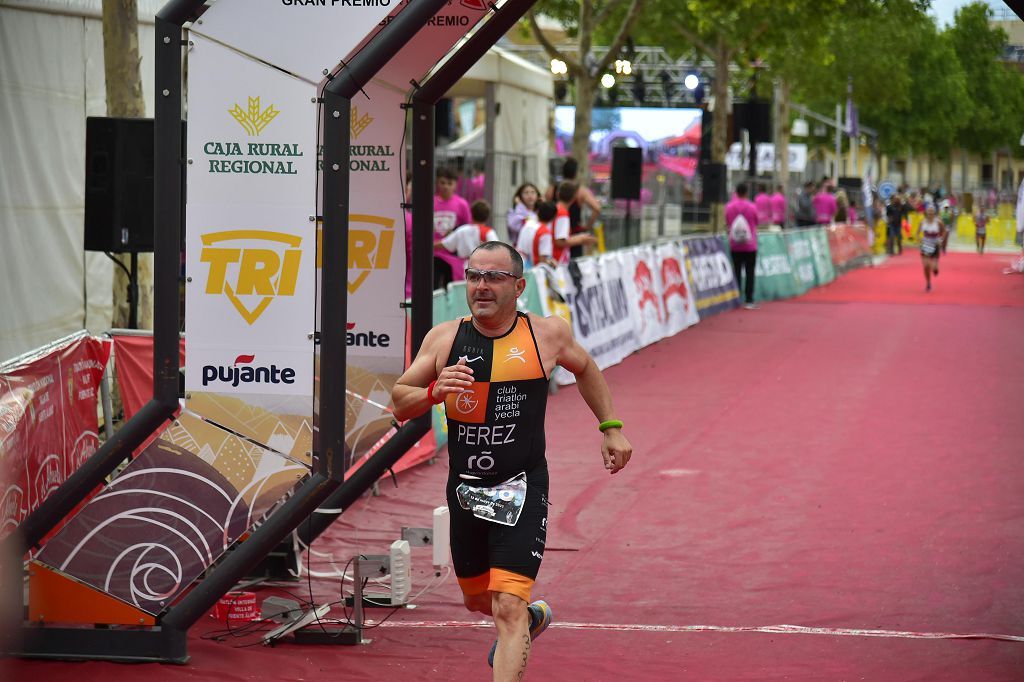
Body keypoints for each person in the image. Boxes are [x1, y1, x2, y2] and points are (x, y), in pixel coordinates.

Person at [391, 241, 633, 681]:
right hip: (466, 491)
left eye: (494, 277)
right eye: (474, 276)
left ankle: (521, 620)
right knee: (477, 600)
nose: (481, 286)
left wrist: (610, 426)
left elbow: (586, 368)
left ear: (519, 286)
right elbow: (399, 402)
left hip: (522, 487)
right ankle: (533, 619)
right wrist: (433, 392)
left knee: (508, 606)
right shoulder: (445, 339)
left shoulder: (547, 335)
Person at [548, 158, 602, 258]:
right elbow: (597, 208)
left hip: (555, 233)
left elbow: (546, 207)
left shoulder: (552, 188)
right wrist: (587, 226)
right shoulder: (581, 190)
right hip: (573, 233)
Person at [434, 167, 473, 290]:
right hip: (433, 253)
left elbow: (468, 228)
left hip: (453, 256)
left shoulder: (462, 204)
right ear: (437, 183)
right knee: (433, 288)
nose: (446, 187)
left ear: (455, 185)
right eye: (442, 183)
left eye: (450, 183)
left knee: (450, 288)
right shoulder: (430, 202)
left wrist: (455, 231)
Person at [726, 182, 760, 309]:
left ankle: (736, 298)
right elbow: (757, 221)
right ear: (746, 192)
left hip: (735, 245)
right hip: (750, 245)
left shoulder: (729, 207)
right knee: (750, 272)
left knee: (736, 271)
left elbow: (728, 222)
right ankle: (749, 299)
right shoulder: (752, 207)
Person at [553, 181, 597, 264]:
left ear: (557, 194)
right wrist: (581, 239)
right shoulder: (562, 213)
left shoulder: (556, 209)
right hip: (559, 259)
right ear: (574, 197)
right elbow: (559, 241)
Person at [515, 201, 555, 268]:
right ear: (554, 217)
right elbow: (542, 260)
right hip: (534, 272)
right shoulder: (544, 232)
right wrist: (552, 264)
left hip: (519, 266)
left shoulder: (527, 224)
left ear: (538, 212)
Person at [915, 204, 945, 292]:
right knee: (926, 266)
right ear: (926, 212)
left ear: (934, 212)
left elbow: (943, 231)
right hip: (925, 245)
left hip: (935, 245)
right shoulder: (923, 222)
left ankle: (935, 268)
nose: (930, 213)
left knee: (934, 268)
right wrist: (919, 240)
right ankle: (928, 283)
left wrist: (941, 239)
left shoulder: (938, 222)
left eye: (932, 211)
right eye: (929, 211)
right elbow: (917, 233)